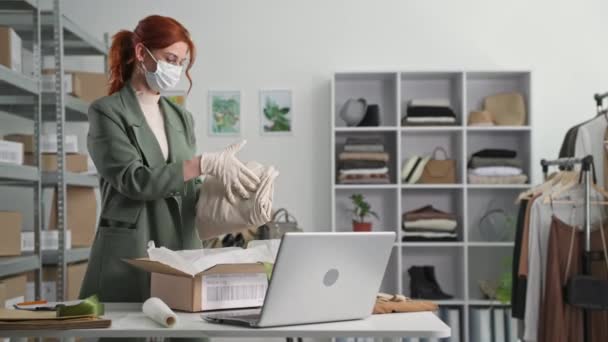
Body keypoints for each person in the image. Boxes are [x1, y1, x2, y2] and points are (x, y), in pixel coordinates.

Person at [80, 15, 260, 302]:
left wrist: (232, 196)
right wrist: (201, 163)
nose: (175, 69)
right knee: (127, 330)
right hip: (132, 245)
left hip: (180, 242)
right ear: (141, 53)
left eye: (181, 63)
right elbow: (133, 180)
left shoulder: (181, 117)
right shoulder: (107, 112)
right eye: (170, 58)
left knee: (186, 328)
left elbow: (185, 187)